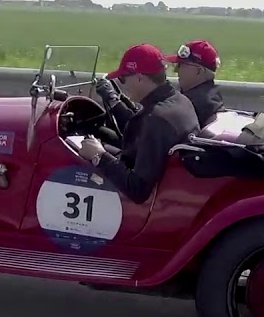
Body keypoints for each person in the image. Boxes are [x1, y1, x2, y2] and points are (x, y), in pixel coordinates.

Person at [78, 43, 199, 203]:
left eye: (123, 79)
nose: (123, 85)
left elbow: (138, 189)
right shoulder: (180, 101)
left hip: (153, 201)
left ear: (139, 78)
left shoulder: (156, 120)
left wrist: (99, 156)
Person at [165, 39, 225, 126]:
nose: (176, 70)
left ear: (198, 71)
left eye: (181, 65)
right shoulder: (213, 98)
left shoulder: (191, 105)